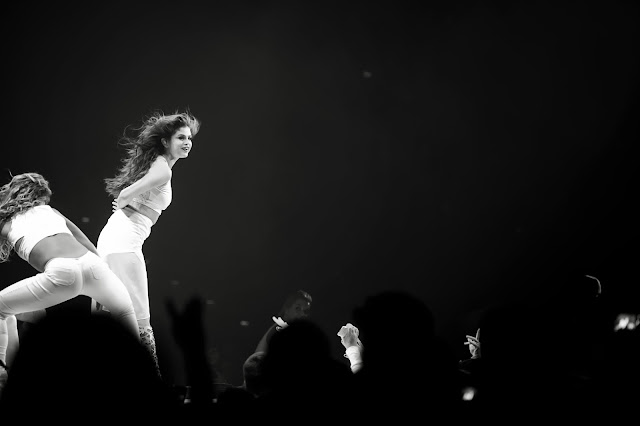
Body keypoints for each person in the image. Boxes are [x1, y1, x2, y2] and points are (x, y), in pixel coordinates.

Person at [0, 172, 139, 386]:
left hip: (62, 272)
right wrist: (104, 285)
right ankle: (142, 378)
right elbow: (86, 243)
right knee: (126, 315)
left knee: (1, 308)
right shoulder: (51, 211)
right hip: (95, 267)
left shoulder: (6, 222)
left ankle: (4, 376)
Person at [95, 110, 201, 375]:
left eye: (189, 138)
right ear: (166, 141)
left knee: (112, 310)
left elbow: (128, 196)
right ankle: (149, 380)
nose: (187, 142)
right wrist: (124, 202)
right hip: (124, 242)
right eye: (181, 137)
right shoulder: (163, 170)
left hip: (117, 239)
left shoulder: (159, 163)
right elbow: (124, 195)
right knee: (139, 316)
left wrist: (126, 203)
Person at [254, 289, 312, 353]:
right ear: (286, 309)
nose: (302, 314)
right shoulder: (278, 329)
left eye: (305, 311)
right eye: (298, 308)